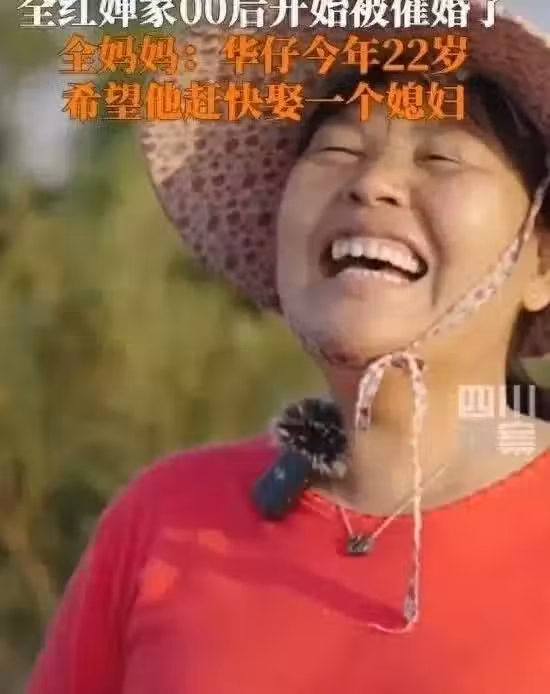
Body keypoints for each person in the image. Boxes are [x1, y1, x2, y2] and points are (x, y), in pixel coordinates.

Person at [26, 4, 550, 693]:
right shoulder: (165, 518)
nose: (371, 183)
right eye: (337, 152)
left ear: (542, 262)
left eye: (441, 157)